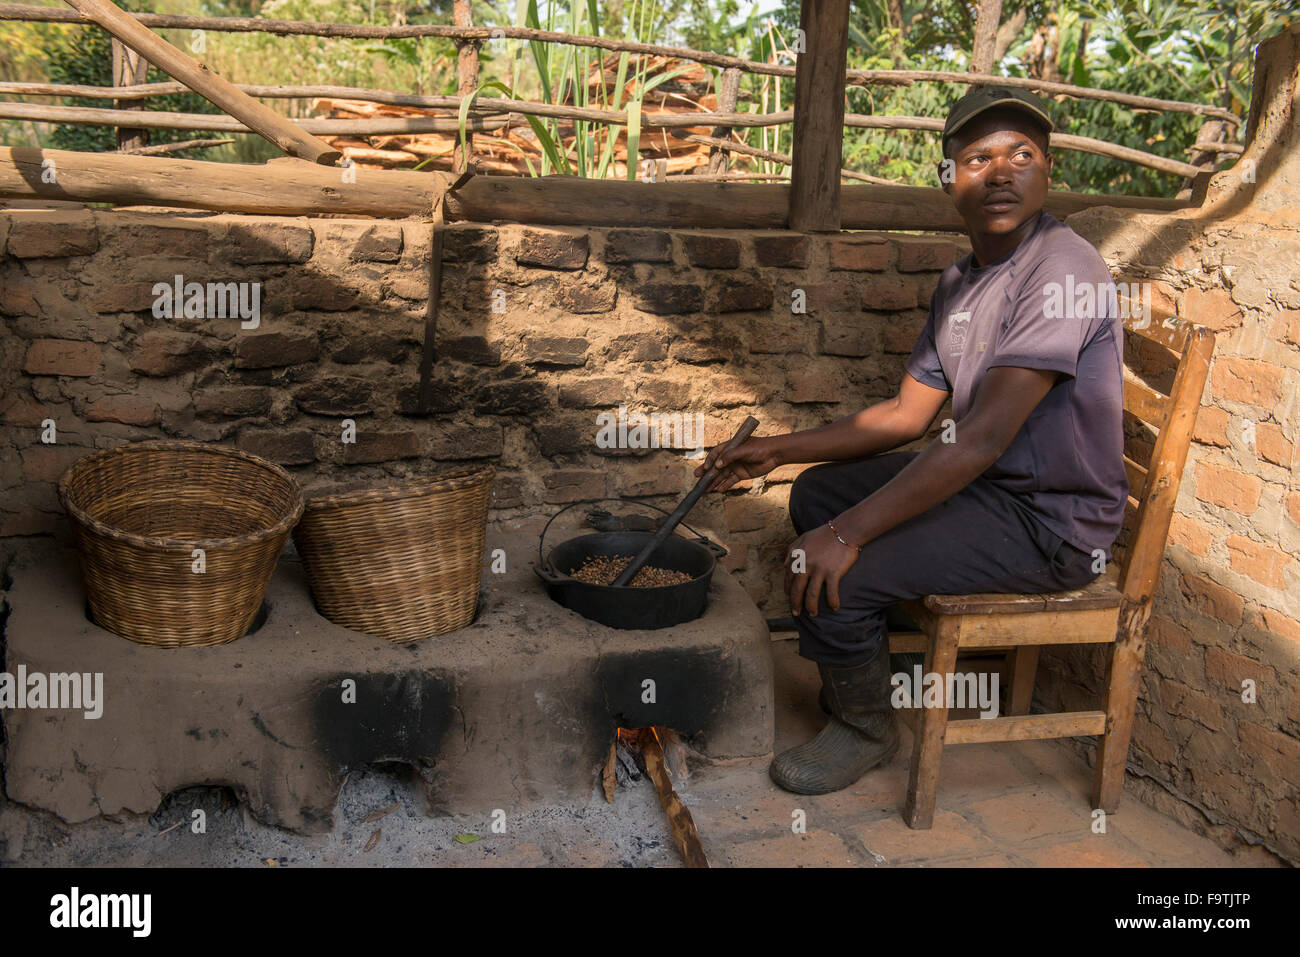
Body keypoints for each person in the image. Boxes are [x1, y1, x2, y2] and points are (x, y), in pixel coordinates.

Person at [694, 86, 1128, 795]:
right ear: (948, 179)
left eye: (1022, 155)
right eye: (978, 157)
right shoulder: (962, 280)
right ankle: (874, 658)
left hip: (1054, 523)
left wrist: (849, 535)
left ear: (1048, 171)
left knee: (838, 563)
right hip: (991, 491)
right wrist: (778, 449)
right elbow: (905, 416)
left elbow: (981, 437)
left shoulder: (1063, 269)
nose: (1001, 173)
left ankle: (869, 727)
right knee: (815, 492)